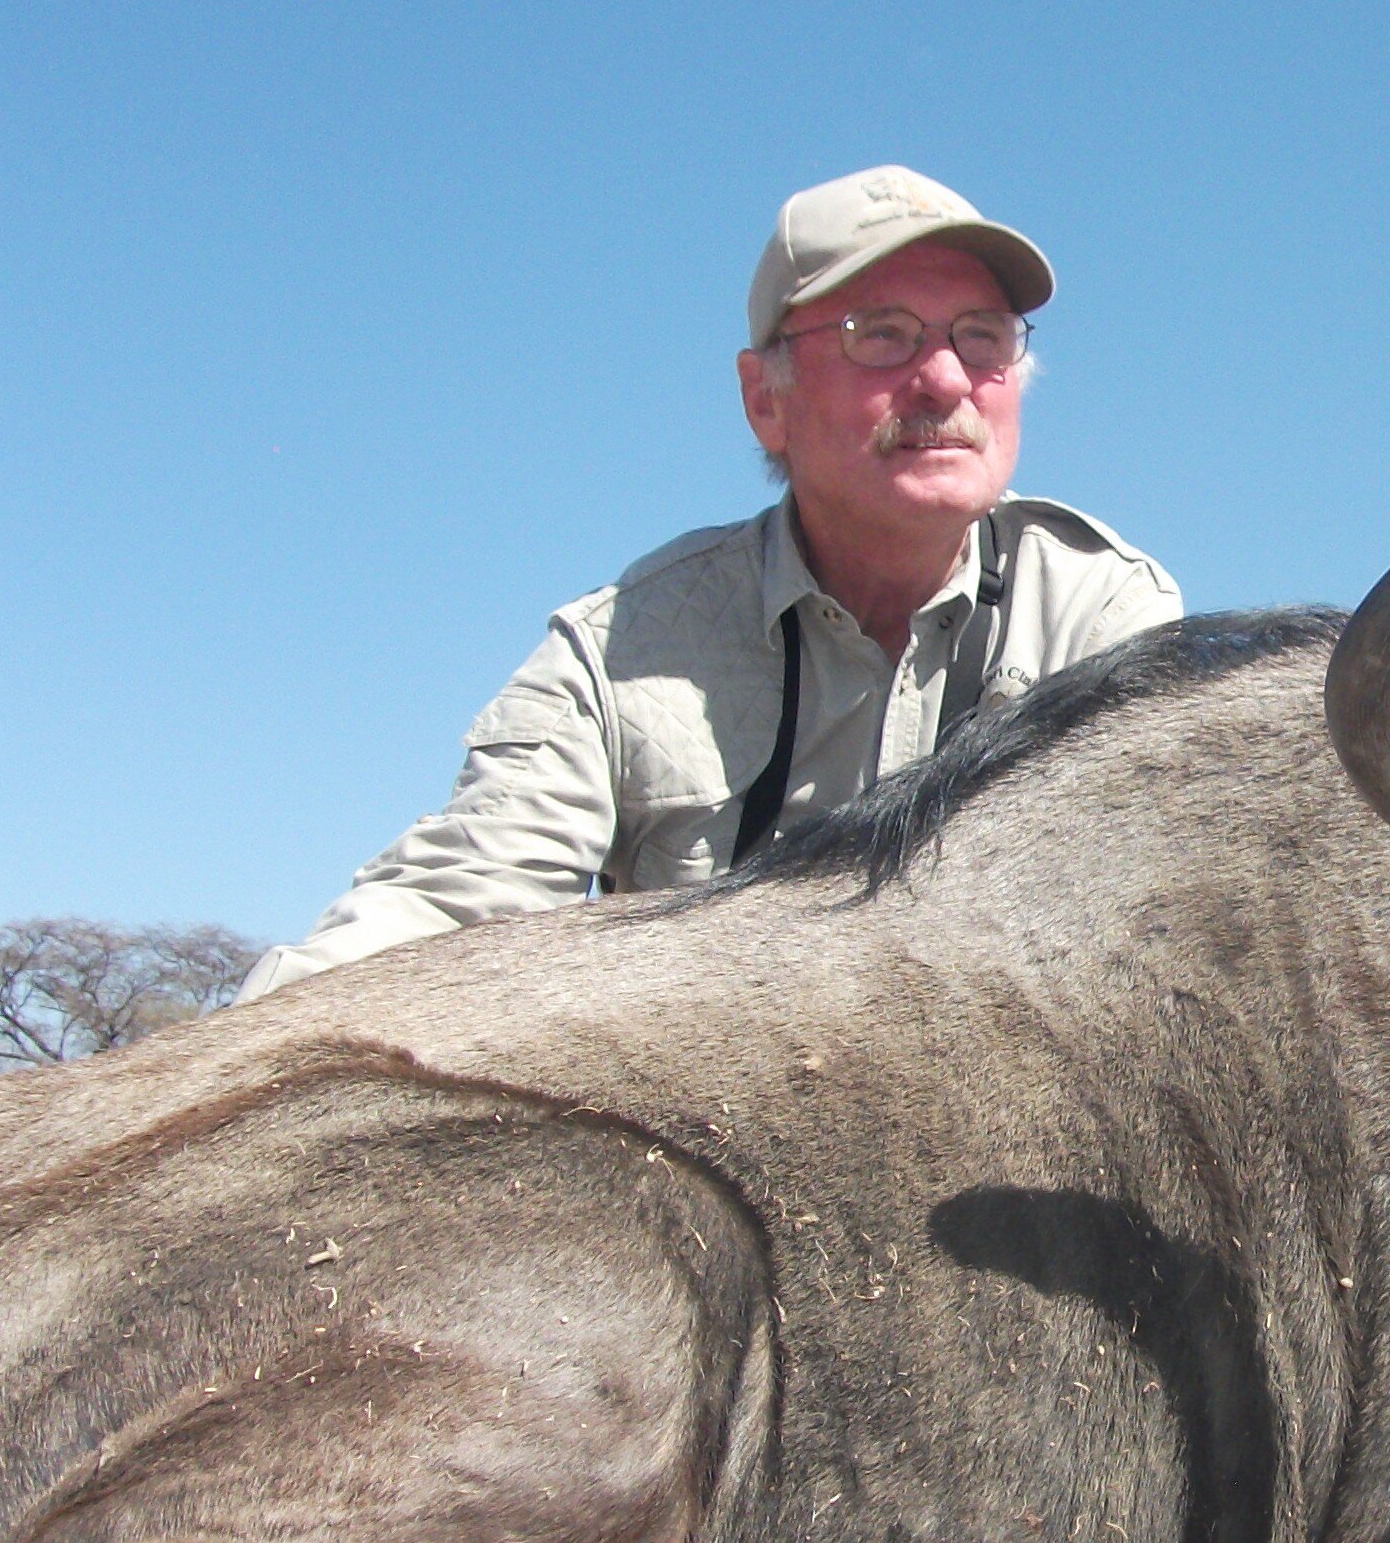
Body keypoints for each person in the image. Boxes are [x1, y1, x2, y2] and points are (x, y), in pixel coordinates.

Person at [240, 167, 1180, 996]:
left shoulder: (1109, 615)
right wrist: (243, 1066)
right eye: (879, 334)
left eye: (982, 338)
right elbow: (449, 906)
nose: (943, 378)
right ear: (764, 401)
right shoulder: (621, 650)